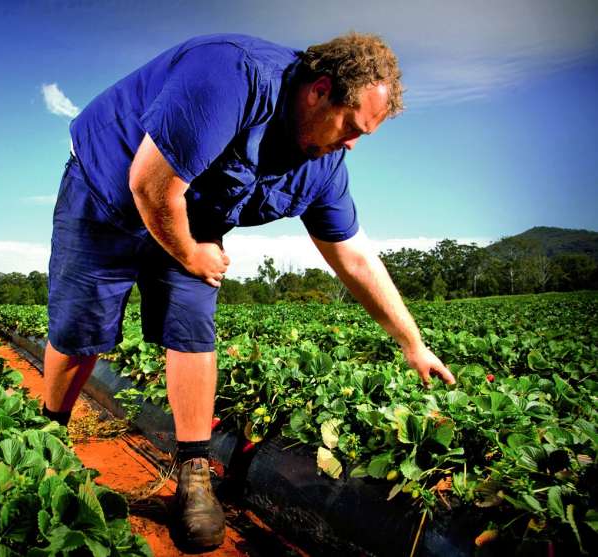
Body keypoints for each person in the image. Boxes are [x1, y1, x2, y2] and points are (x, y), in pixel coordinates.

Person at [41, 32, 456, 550]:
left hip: (194, 212)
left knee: (192, 324)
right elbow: (149, 185)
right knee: (83, 328)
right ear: (319, 90)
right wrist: (191, 252)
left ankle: (194, 472)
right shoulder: (230, 76)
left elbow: (353, 255)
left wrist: (412, 342)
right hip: (107, 191)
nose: (351, 144)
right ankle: (48, 437)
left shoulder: (323, 164)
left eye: (362, 136)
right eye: (351, 126)